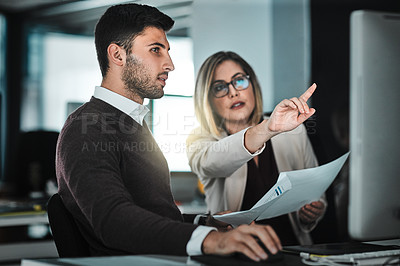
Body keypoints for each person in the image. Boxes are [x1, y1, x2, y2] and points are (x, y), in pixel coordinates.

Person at [56, 4, 282, 262]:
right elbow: (113, 220)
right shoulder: (87, 127)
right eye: (155, 50)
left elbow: (151, 213)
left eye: (168, 51)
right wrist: (210, 240)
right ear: (117, 55)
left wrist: (205, 223)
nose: (170, 64)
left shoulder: (131, 123)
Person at [186, 51, 326, 245]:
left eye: (239, 81)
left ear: (253, 85)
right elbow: (213, 163)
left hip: (292, 251)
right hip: (235, 254)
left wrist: (312, 212)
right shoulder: (200, 139)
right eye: (220, 87)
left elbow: (315, 190)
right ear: (208, 100)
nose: (233, 92)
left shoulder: (294, 131)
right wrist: (268, 128)